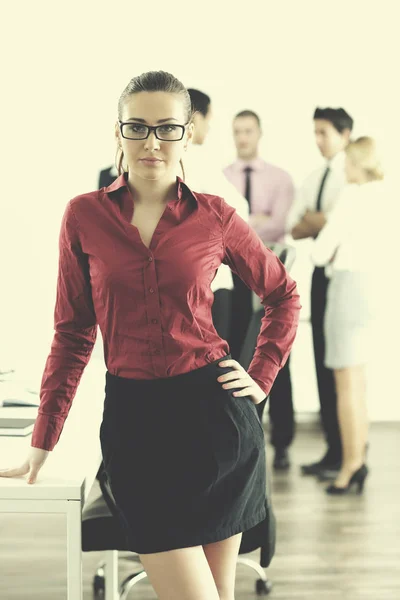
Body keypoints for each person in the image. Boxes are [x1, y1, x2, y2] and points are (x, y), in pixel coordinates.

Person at [0, 71, 300, 600]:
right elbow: (72, 335)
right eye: (137, 127)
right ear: (118, 133)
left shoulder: (215, 215)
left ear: (188, 133)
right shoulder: (84, 216)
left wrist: (261, 378)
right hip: (136, 428)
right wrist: (42, 440)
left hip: (218, 426)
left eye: (167, 127)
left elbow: (283, 296)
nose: (152, 142)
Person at [311, 137, 384, 494]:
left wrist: (318, 227)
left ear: (356, 163)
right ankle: (358, 458)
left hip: (347, 290)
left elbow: (320, 252)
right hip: (372, 291)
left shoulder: (353, 196)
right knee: (359, 381)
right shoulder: (384, 195)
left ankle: (351, 464)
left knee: (345, 384)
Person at [224, 110, 295, 471]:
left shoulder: (280, 178)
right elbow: (221, 228)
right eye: (237, 131)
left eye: (248, 130)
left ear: (260, 133)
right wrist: (256, 222)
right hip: (232, 279)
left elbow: (280, 223)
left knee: (276, 357)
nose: (242, 137)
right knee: (237, 350)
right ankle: (241, 433)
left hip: (270, 271)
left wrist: (241, 226)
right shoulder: (223, 178)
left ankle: (282, 441)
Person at [287, 107, 353, 479]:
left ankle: (349, 450)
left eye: (324, 132)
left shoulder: (353, 177)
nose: (318, 140)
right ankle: (333, 449)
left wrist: (320, 221)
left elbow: (350, 225)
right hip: (321, 276)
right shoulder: (314, 177)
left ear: (345, 135)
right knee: (321, 361)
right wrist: (321, 222)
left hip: (345, 275)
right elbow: (295, 227)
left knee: (342, 366)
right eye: (314, 132)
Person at [184, 88, 249, 340]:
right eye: (208, 120)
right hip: (211, 282)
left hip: (179, 284)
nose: (208, 129)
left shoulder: (162, 159)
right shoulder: (198, 158)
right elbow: (239, 208)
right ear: (196, 118)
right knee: (215, 367)